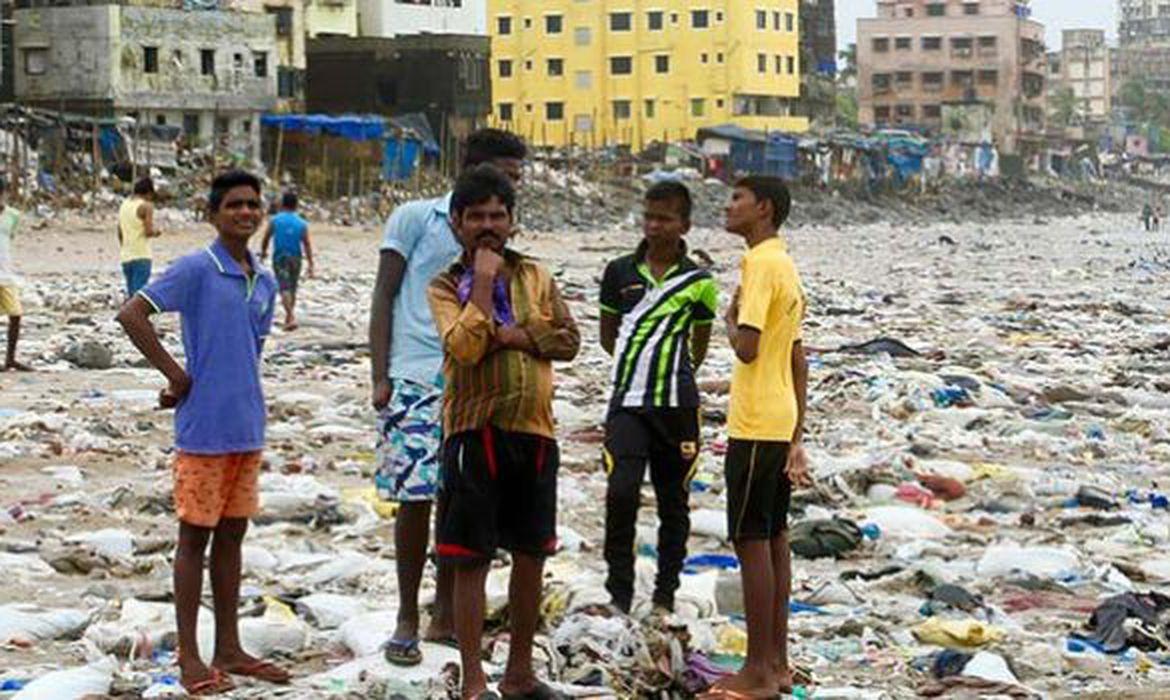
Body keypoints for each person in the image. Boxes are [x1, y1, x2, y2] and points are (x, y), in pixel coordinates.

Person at [116, 171, 290, 696]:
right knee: (194, 540)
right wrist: (176, 375)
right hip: (203, 430)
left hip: (246, 424)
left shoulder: (264, 278)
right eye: (234, 204)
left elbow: (248, 349)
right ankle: (192, 655)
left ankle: (230, 646)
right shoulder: (196, 268)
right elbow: (133, 313)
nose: (244, 212)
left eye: (252, 204)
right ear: (213, 214)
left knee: (233, 537)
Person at [367, 128, 526, 666]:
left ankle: (445, 611)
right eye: (507, 174)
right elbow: (384, 294)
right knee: (414, 501)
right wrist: (380, 375)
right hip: (414, 377)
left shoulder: (502, 244)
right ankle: (407, 615)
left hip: (475, 386)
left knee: (464, 503)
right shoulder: (415, 218)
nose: (510, 190)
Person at [428, 164, 579, 699]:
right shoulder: (446, 284)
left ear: (513, 221)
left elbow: (568, 340)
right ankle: (473, 681)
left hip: (536, 431)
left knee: (532, 553)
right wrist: (485, 281)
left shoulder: (536, 275)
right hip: (476, 432)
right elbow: (465, 346)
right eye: (476, 217)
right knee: (471, 558)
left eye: (497, 215)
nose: (488, 225)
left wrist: (515, 334)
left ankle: (519, 673)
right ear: (457, 223)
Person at [707, 176, 812, 699]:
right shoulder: (786, 265)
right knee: (773, 540)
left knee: (750, 540)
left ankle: (756, 671)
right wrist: (797, 433)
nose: (727, 207)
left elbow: (747, 347)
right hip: (778, 417)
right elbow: (798, 356)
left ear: (763, 209)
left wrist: (728, 321)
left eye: (737, 200)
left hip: (753, 421)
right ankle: (778, 662)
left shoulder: (759, 265)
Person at [598, 181, 718, 616]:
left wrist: (671, 371)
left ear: (684, 224)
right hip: (628, 403)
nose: (654, 225)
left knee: (674, 501)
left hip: (678, 408)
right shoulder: (618, 272)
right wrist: (640, 367)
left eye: (664, 218)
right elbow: (608, 336)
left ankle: (665, 594)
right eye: (648, 216)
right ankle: (619, 593)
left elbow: (699, 344)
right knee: (621, 492)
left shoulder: (699, 282)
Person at [260, 191, 314, 331]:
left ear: (282, 204)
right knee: (293, 287)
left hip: (280, 257)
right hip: (296, 257)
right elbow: (307, 243)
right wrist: (310, 263)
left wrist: (264, 252)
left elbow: (266, 237)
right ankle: (289, 316)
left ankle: (290, 316)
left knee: (284, 286)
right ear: (296, 205)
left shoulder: (275, 220)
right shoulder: (302, 223)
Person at [0, 178, 28, 372]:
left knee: (16, 314)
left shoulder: (12, 216)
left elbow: (9, 239)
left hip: (5, 273)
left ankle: (10, 358)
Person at [118, 177, 161, 298]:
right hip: (141, 254)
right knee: (139, 296)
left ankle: (129, 316)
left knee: (132, 294)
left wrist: (125, 246)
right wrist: (157, 232)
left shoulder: (124, 205)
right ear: (149, 193)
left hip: (126, 256)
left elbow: (120, 232)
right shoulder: (146, 206)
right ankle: (135, 317)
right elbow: (148, 231)